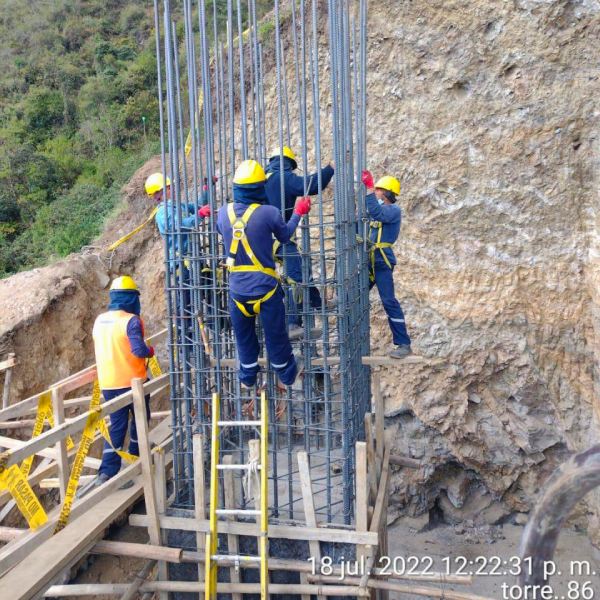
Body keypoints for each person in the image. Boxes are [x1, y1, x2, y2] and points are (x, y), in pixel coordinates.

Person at [216, 159, 312, 388]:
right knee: (276, 338)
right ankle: (287, 375)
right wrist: (298, 213)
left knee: (244, 340)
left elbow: (222, 231)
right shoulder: (269, 213)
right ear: (261, 187)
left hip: (237, 291)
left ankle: (248, 378)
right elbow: (285, 235)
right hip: (265, 290)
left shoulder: (223, 213)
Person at [86, 276, 154, 490]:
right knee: (140, 420)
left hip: (108, 384)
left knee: (116, 426)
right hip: (132, 383)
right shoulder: (130, 321)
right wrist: (150, 351)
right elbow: (138, 350)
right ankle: (135, 457)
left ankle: (108, 471)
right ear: (131, 298)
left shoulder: (100, 320)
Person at [265, 146, 334, 336]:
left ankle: (317, 303)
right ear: (288, 163)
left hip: (262, 239)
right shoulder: (282, 177)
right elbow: (310, 185)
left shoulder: (263, 179)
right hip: (279, 237)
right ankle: (292, 322)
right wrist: (330, 168)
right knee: (295, 275)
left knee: (302, 268)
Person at [361, 170, 412, 358]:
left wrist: (367, 189)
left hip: (382, 261)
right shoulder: (377, 212)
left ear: (387, 194)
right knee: (354, 295)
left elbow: (376, 211)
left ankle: (403, 344)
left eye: (378, 191)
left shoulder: (392, 211)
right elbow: (366, 215)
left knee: (389, 301)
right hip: (370, 261)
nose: (375, 194)